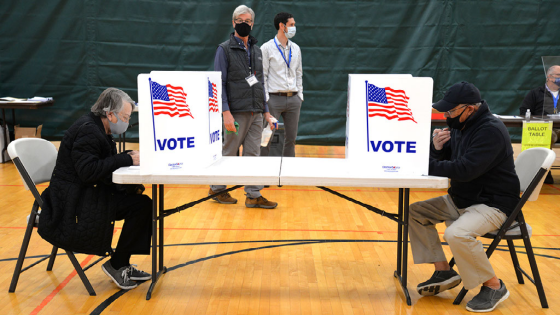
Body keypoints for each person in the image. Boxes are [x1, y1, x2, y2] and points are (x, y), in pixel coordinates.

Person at [410, 82, 520, 312]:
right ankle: (444, 271)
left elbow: (464, 170)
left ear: (470, 108)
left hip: (494, 204)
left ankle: (494, 285)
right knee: (414, 212)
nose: (446, 116)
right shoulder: (462, 126)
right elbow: (448, 160)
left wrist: (422, 163)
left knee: (456, 233)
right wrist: (438, 149)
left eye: (450, 111)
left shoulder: (489, 130)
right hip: (462, 199)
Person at [38, 88, 152, 290]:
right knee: (141, 206)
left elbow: (100, 161)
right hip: (73, 203)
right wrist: (125, 158)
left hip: (83, 194)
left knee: (141, 203)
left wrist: (126, 155)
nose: (126, 121)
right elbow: (88, 171)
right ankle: (118, 264)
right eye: (125, 117)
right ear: (110, 114)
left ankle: (122, 263)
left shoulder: (98, 128)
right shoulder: (88, 130)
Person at [209, 4, 278, 209]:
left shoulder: (257, 51)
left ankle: (253, 194)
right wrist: (226, 113)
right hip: (235, 112)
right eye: (240, 21)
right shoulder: (224, 49)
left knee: (253, 154)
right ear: (233, 22)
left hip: (256, 111)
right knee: (229, 151)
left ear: (253, 23)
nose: (244, 24)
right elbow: (218, 83)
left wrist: (266, 112)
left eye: (248, 21)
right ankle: (217, 189)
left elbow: (260, 83)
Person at [260, 12, 303, 157]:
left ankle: (287, 175)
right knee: (266, 138)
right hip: (273, 98)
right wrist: (266, 99)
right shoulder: (266, 48)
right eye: (291, 25)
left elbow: (299, 73)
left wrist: (300, 96)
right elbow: (262, 76)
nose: (293, 28)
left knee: (291, 139)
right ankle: (262, 176)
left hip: (293, 99)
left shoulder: (296, 48)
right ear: (281, 26)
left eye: (294, 25)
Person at [519, 65, 560, 183]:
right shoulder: (535, 93)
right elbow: (523, 111)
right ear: (549, 77)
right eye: (559, 75)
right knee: (547, 136)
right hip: (545, 129)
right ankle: (544, 172)